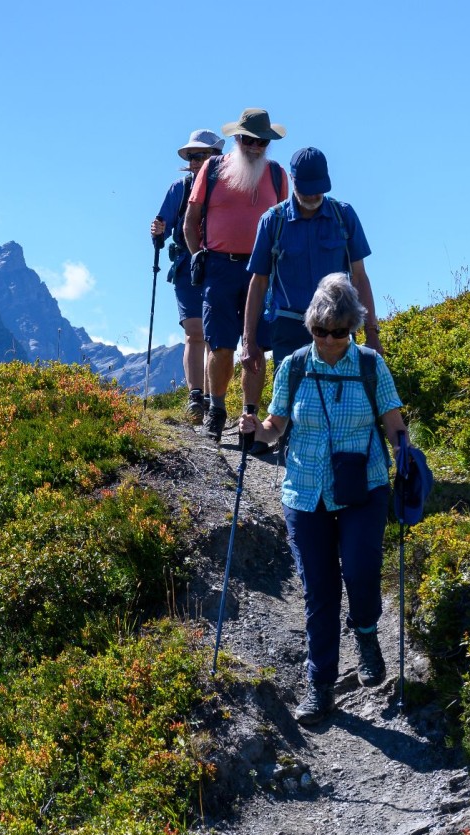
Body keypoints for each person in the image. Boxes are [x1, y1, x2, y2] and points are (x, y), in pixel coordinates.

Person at [237, 274, 409, 724]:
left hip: (363, 487)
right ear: (311, 326)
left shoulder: (370, 365)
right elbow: (276, 426)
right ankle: (320, 687)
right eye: (320, 331)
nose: (329, 340)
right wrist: (258, 432)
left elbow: (393, 421)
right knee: (319, 591)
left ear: (352, 328)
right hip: (304, 491)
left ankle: (367, 634)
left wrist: (405, 453)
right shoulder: (293, 365)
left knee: (360, 568)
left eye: (339, 332)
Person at [242, 147, 381, 454]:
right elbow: (258, 281)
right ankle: (295, 461)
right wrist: (249, 340)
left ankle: (338, 461)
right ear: (293, 180)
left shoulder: (343, 216)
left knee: (338, 394)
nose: (314, 196)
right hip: (288, 325)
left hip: (338, 328)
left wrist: (372, 333)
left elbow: (360, 277)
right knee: (290, 397)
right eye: (307, 190)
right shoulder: (273, 221)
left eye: (319, 189)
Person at [183, 108, 290, 443]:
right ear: (237, 138)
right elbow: (191, 218)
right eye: (249, 139)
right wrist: (197, 255)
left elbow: (285, 222)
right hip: (219, 266)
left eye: (261, 141)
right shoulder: (213, 169)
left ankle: (249, 417)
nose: (255, 146)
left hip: (261, 272)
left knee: (255, 346)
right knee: (220, 343)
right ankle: (216, 411)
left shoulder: (277, 175)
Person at [152, 129, 224, 422]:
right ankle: (197, 397)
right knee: (195, 332)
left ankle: (211, 398)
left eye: (201, 155)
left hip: (221, 266)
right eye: (192, 156)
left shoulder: (228, 191)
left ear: (216, 158)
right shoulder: (179, 189)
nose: (195, 161)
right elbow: (164, 225)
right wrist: (157, 233)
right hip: (187, 265)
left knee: (214, 335)